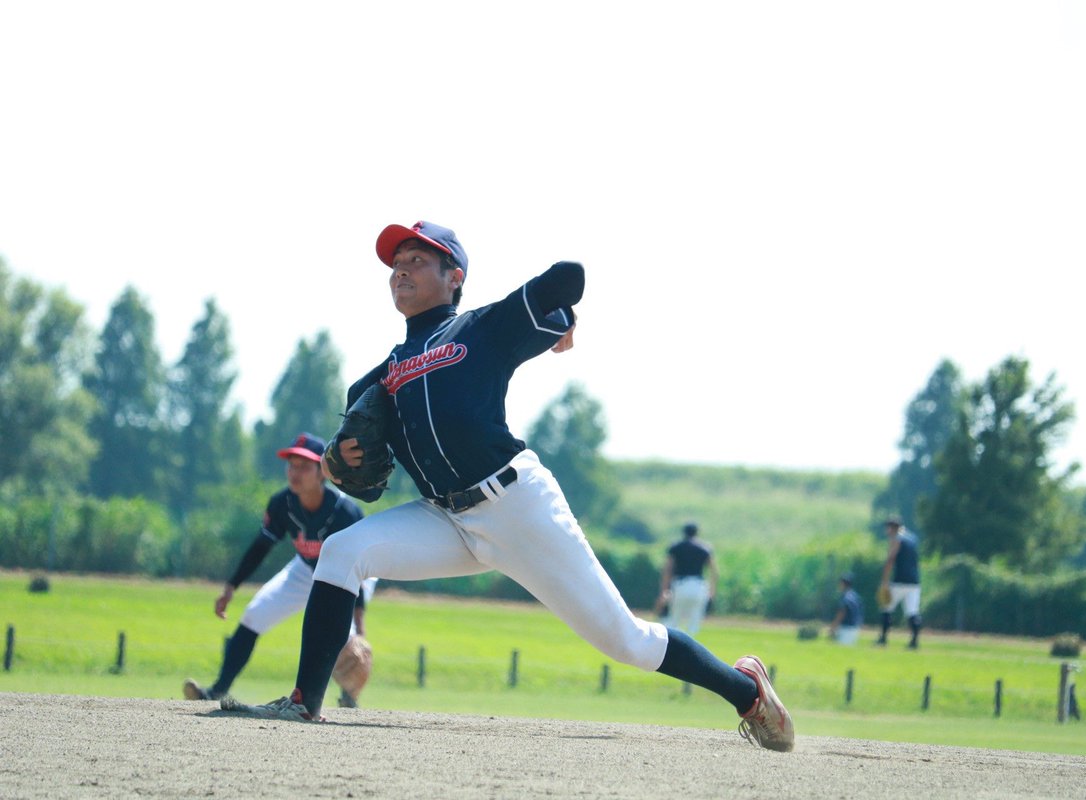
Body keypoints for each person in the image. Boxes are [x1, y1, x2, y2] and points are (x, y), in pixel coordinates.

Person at [223, 220, 794, 752]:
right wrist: (341, 458)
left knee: (628, 643)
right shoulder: (378, 379)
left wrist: (553, 316)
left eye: (419, 260)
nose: (402, 270)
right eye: (396, 263)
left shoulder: (480, 328)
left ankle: (745, 690)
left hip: (517, 505)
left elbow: (570, 277)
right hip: (444, 518)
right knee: (343, 549)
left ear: (455, 278)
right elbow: (364, 479)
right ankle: (304, 702)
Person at [183, 433, 378, 706]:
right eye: (291, 465)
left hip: (348, 574)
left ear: (322, 472)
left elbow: (357, 567)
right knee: (254, 614)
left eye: (304, 466)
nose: (294, 472)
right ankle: (216, 691)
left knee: (346, 643)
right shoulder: (282, 504)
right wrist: (230, 587)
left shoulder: (345, 512)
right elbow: (261, 547)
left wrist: (360, 627)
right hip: (305, 569)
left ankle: (348, 698)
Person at [654, 521, 718, 636]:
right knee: (695, 620)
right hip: (699, 586)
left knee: (673, 618)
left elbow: (668, 570)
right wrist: (712, 591)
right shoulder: (705, 548)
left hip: (680, 585)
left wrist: (664, 591)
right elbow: (714, 571)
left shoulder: (676, 547)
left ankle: (671, 645)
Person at [876, 516, 921, 649]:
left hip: (899, 581)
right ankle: (914, 641)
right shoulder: (913, 538)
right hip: (914, 582)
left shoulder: (896, 539)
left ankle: (883, 638)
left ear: (893, 528)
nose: (887, 530)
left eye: (888, 527)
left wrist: (884, 581)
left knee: (887, 608)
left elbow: (890, 560)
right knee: (912, 612)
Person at [828, 572, 863, 645]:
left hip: (846, 629)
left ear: (843, 584)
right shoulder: (855, 596)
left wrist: (833, 627)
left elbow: (842, 612)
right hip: (855, 629)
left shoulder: (845, 596)